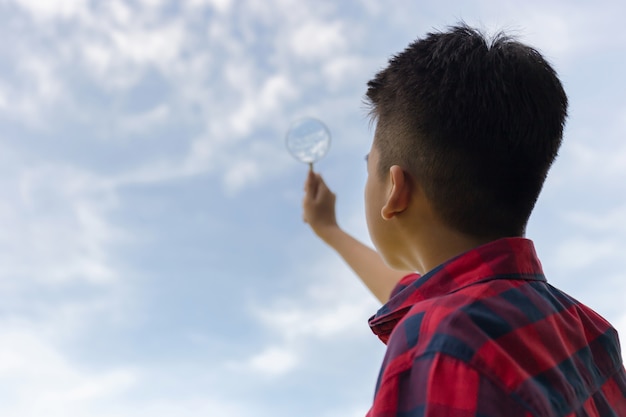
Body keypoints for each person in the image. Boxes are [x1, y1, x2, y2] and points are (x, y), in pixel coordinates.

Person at [302, 24, 626, 416]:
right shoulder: (590, 331)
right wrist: (330, 230)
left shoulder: (441, 349)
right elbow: (416, 289)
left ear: (394, 189)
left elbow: (437, 310)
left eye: (367, 167)